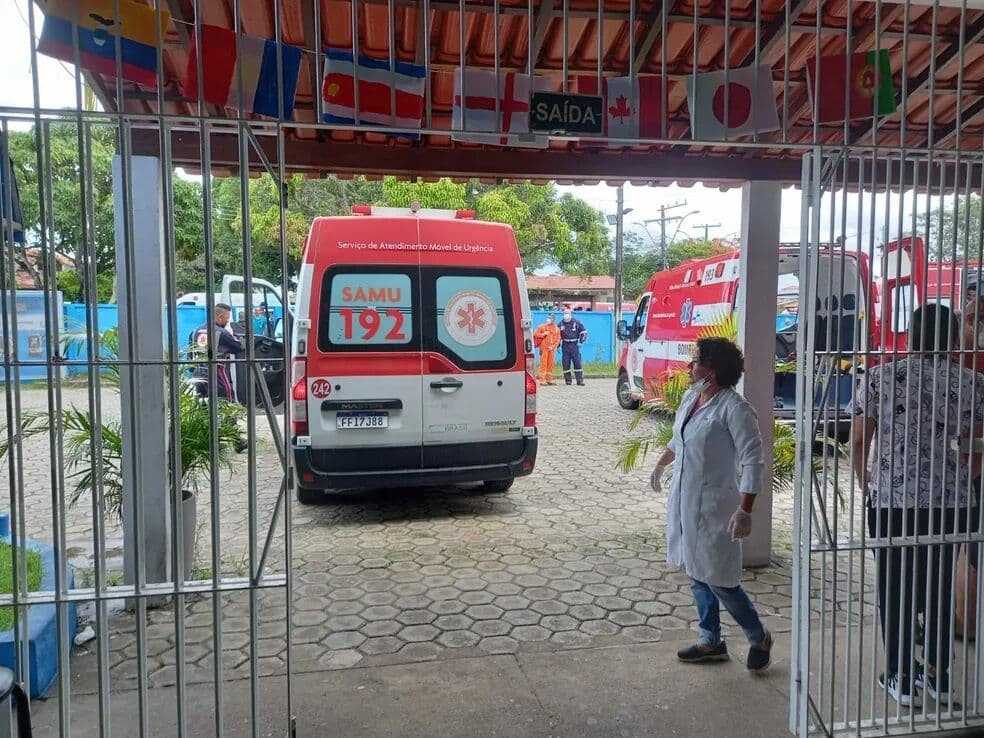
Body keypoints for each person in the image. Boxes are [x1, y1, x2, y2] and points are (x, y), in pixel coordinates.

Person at [852, 303, 984, 706]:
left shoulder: (880, 378)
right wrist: (965, 477)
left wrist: (867, 482)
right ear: (951, 338)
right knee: (940, 584)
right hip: (951, 503)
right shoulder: (972, 383)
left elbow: (858, 440)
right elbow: (978, 446)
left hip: (894, 500)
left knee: (895, 585)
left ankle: (901, 676)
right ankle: (939, 675)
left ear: (910, 334)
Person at [650, 337, 772, 671]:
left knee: (720, 580)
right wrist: (662, 463)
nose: (690, 366)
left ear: (712, 370)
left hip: (718, 506)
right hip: (687, 501)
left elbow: (753, 460)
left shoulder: (735, 408)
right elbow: (680, 440)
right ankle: (711, 640)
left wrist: (745, 509)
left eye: (696, 361)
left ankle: (758, 635)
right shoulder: (692, 398)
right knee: (695, 571)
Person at [190, 302, 245, 401]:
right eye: (227, 318)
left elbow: (190, 354)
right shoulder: (221, 332)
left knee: (202, 405)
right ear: (220, 317)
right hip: (217, 375)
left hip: (198, 374)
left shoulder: (196, 331)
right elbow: (239, 348)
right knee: (225, 403)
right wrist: (235, 336)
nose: (227, 321)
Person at [558, 307, 588, 386]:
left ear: (571, 314)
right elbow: (557, 336)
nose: (566, 315)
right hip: (565, 345)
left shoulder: (577, 322)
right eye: (565, 313)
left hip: (574, 344)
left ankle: (579, 380)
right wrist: (558, 345)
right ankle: (568, 381)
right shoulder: (560, 324)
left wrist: (581, 341)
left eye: (567, 313)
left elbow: (584, 332)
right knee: (565, 363)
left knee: (577, 362)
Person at [533, 314, 561, 385]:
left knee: (550, 364)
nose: (548, 319)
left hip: (551, 349)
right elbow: (535, 334)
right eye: (548, 318)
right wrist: (543, 334)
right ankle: (542, 380)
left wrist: (553, 347)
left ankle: (549, 379)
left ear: (553, 320)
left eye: (550, 318)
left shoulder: (557, 329)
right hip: (544, 348)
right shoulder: (542, 326)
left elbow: (558, 339)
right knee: (543, 363)